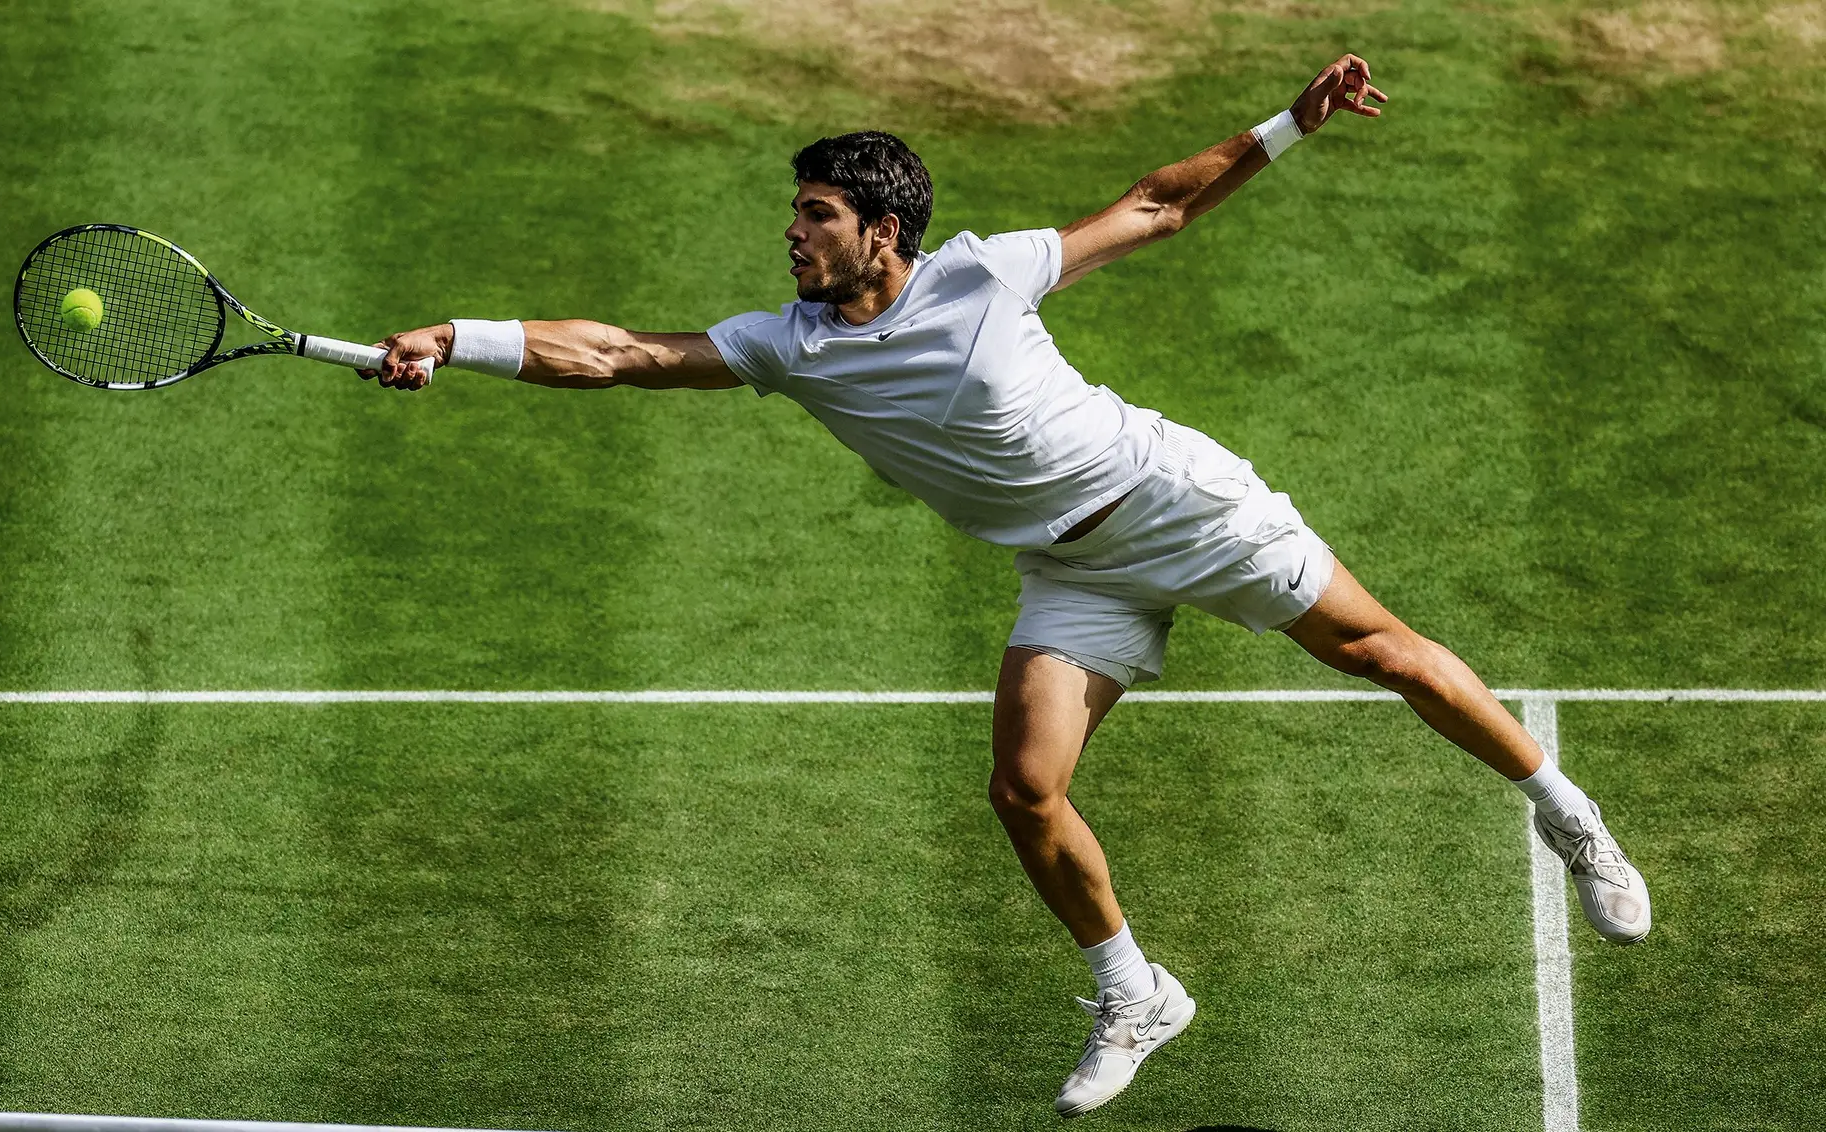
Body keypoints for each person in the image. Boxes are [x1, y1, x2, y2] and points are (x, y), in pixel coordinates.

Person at [364, 54, 1650, 1118]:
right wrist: (452, 338)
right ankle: (1136, 989)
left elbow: (1155, 204)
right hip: (1070, 566)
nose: (794, 234)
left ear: (884, 229)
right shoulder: (788, 345)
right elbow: (618, 354)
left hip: (1176, 506)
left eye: (816, 215)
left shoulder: (985, 271)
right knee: (1025, 789)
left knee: (1384, 653)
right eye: (796, 213)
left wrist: (1287, 125)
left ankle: (1566, 811)